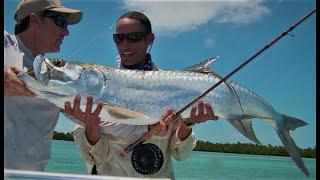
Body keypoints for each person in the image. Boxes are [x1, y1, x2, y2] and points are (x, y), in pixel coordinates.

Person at [73, 11, 219, 179]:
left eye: (133, 37)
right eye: (119, 38)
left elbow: (181, 154)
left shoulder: (174, 87)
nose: (125, 45)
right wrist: (92, 127)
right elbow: (89, 156)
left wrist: (187, 124)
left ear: (149, 39)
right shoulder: (102, 86)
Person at [4, 0, 103, 171]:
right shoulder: (6, 44)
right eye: (60, 21)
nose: (66, 32)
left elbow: (93, 126)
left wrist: (90, 122)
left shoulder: (56, 74)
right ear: (35, 21)